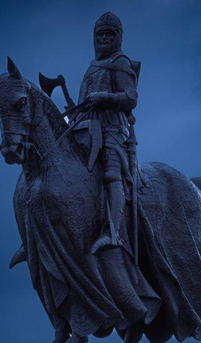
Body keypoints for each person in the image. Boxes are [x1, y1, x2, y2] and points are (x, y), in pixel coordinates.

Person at [76, 11, 139, 254]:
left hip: (112, 128)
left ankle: (113, 233)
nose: (103, 38)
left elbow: (131, 98)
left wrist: (104, 98)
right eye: (99, 34)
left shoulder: (120, 62)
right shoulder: (92, 67)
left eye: (108, 34)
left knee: (112, 172)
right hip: (87, 128)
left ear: (117, 37)